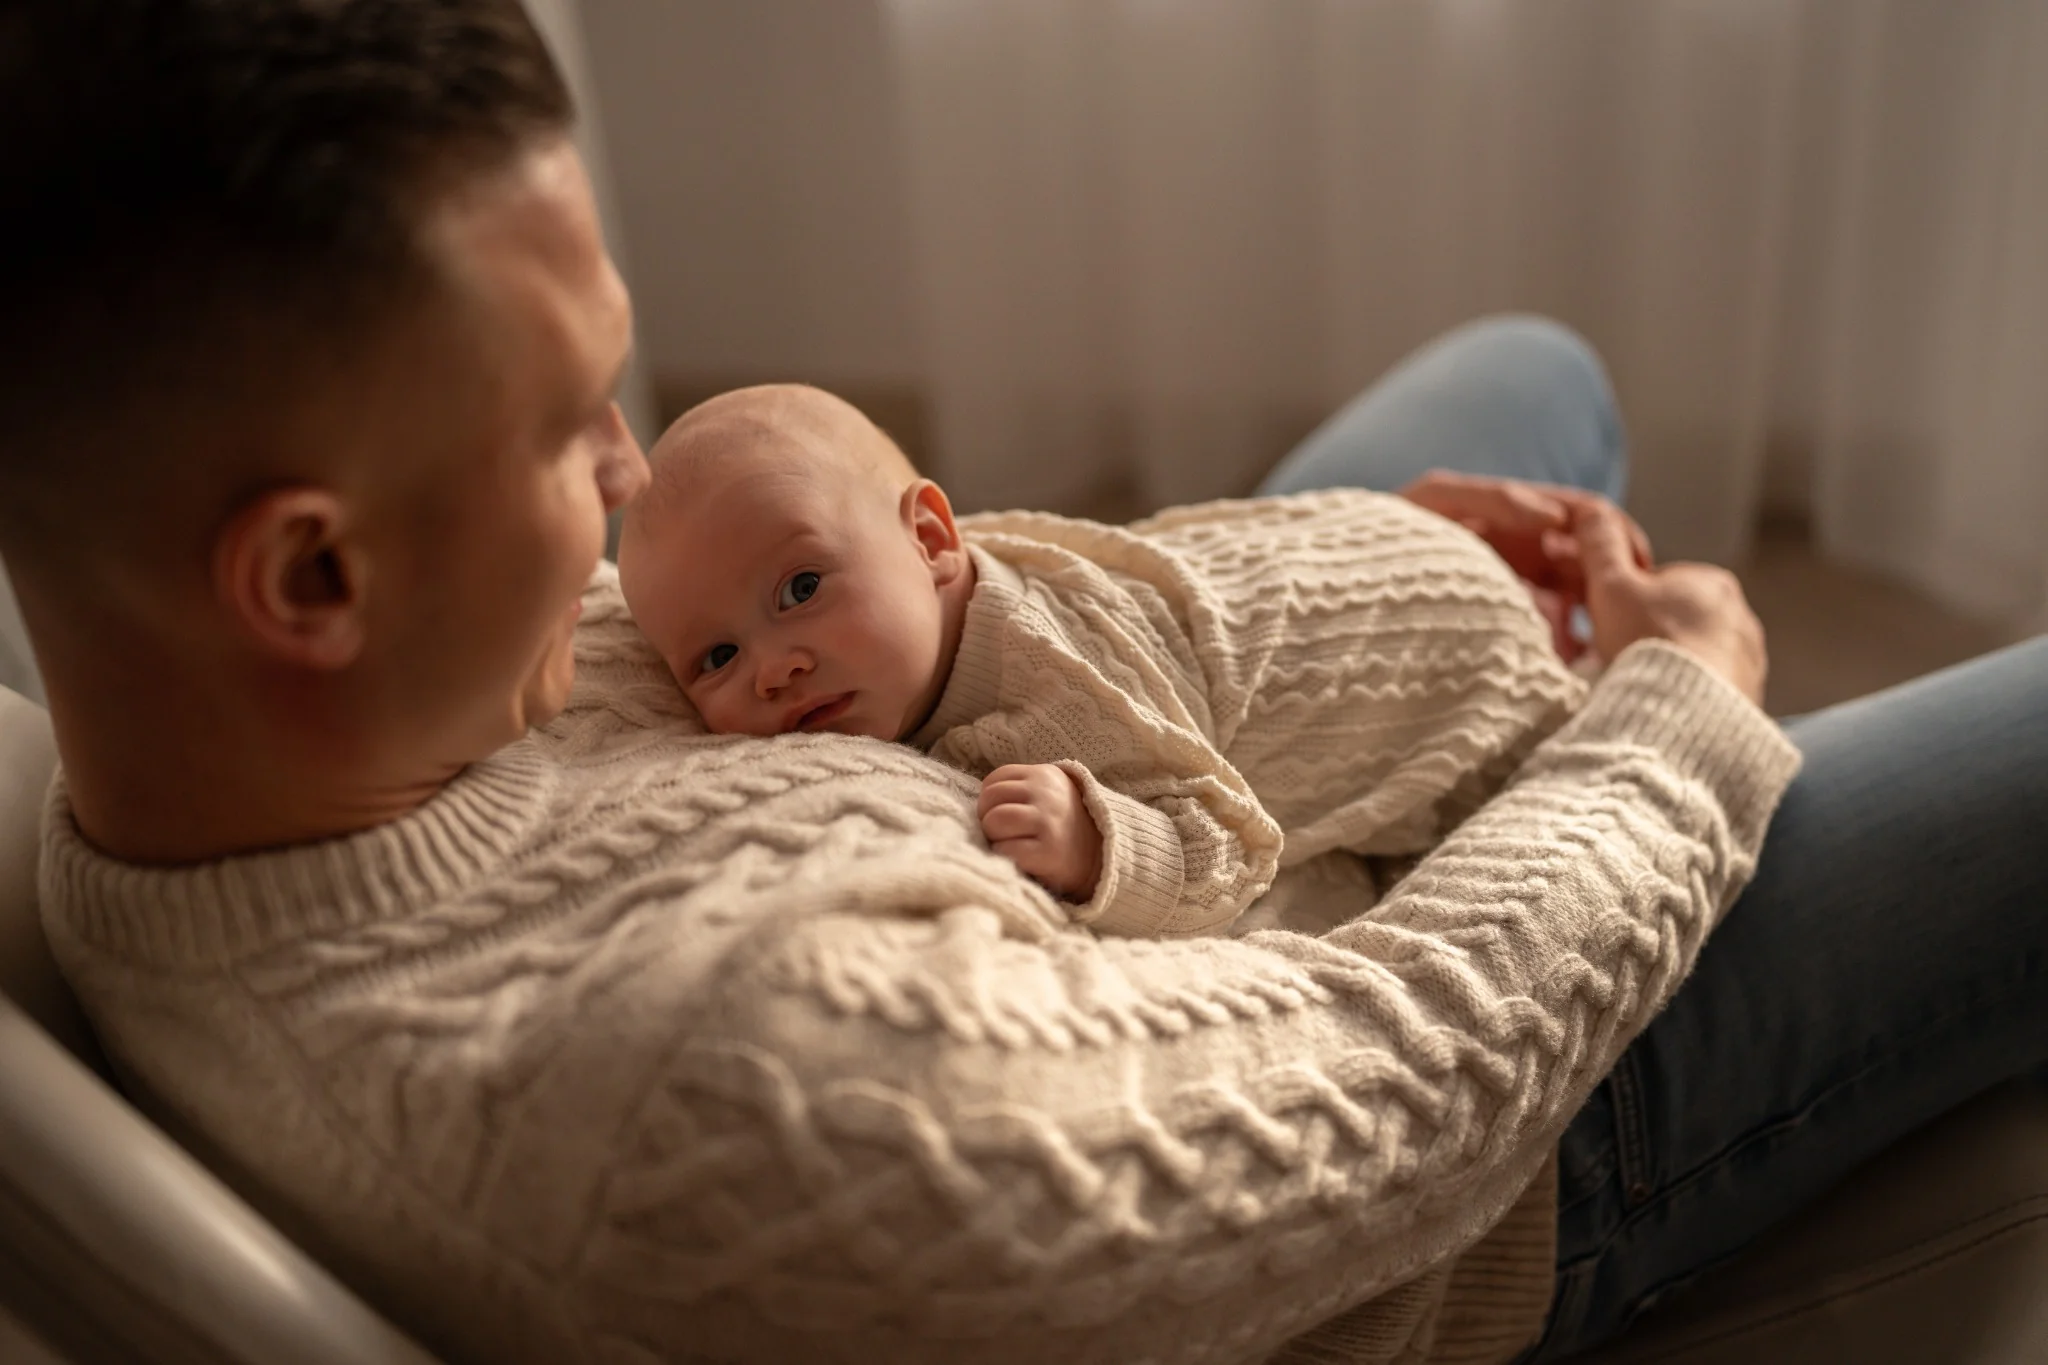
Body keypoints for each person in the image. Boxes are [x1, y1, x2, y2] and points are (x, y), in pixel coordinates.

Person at [0, 6, 2040, 1365]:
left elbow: (910, 601)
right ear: (311, 570)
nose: (631, 481)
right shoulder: (743, 1091)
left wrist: (1257, 578)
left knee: (1528, 373)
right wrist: (1673, 712)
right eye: (562, 426)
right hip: (1487, 1110)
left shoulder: (239, 752)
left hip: (1122, 812)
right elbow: (1405, 1062)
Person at [616, 383, 1592, 939]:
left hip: (1441, 665)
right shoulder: (911, 611)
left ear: (929, 540)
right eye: (714, 656)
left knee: (1563, 739)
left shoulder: (1048, 685)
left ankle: (1580, 644)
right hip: (1354, 555)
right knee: (1544, 379)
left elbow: (1227, 842)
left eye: (798, 591)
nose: (773, 668)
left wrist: (1098, 845)